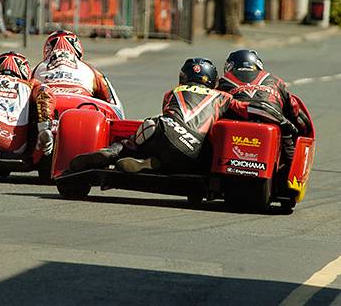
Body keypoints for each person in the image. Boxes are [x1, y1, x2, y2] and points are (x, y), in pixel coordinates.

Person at [70, 58, 247, 174]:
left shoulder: (172, 92)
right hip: (192, 155)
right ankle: (152, 163)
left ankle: (112, 153)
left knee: (151, 126)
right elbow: (244, 110)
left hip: (163, 133)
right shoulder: (224, 97)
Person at [217, 49, 311, 193]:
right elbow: (293, 110)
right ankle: (289, 181)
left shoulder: (222, 81)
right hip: (272, 121)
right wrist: (303, 130)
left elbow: (212, 104)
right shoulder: (275, 80)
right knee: (288, 135)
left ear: (229, 66)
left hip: (235, 123)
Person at [31, 30, 123, 111]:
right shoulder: (90, 70)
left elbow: (25, 93)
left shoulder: (38, 68)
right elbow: (113, 104)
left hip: (48, 108)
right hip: (80, 109)